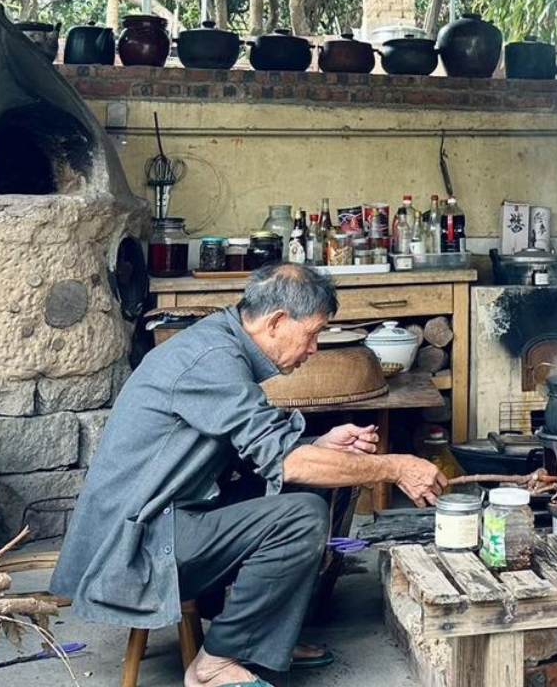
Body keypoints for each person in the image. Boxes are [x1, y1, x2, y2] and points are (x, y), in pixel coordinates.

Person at [51, 263, 446, 687]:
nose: (314, 348)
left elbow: (257, 447)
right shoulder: (212, 360)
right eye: (313, 333)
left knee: (311, 484)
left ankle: (263, 638)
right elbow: (284, 461)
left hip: (171, 515)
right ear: (276, 322)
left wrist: (319, 444)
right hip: (138, 543)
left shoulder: (221, 343)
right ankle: (216, 664)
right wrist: (395, 466)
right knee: (301, 517)